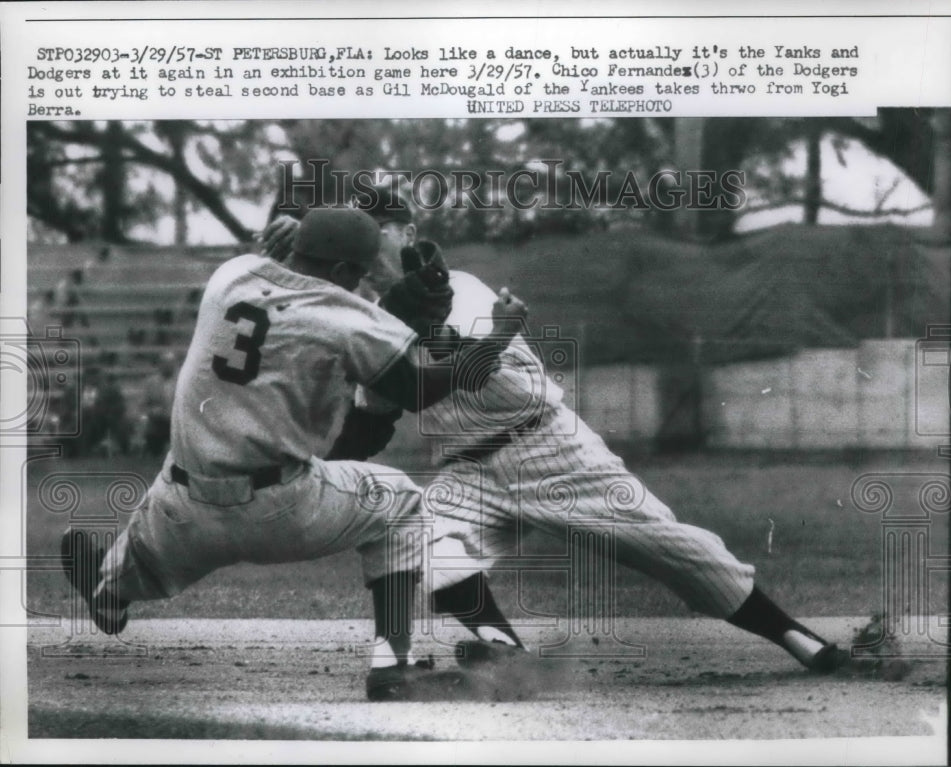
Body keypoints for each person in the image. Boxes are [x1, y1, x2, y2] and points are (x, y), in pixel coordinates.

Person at [263, 190, 847, 675]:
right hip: (469, 471)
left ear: (406, 230)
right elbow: (370, 429)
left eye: (376, 230)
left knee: (678, 553)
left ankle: (800, 640)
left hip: (550, 449)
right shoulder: (366, 319)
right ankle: (504, 652)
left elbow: (463, 366)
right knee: (427, 541)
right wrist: (318, 466)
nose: (367, 246)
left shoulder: (456, 287)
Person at [61, 207, 529, 701]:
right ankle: (392, 665)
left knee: (161, 510)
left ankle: (111, 592)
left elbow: (286, 288)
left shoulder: (231, 274)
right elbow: (415, 389)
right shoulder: (346, 317)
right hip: (279, 510)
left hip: (182, 507)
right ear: (348, 272)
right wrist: (497, 336)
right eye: (361, 272)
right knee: (402, 502)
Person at [140, 350, 179, 457]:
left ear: (174, 365)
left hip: (179, 419)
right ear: (160, 365)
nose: (167, 366)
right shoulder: (151, 382)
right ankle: (154, 449)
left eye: (170, 363)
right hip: (158, 419)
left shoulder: (183, 380)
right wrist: (151, 411)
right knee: (150, 425)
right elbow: (143, 404)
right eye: (165, 363)